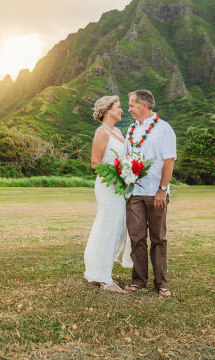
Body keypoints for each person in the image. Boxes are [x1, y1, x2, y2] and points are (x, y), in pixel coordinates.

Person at [124, 90, 176, 297]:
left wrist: (162, 190)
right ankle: (138, 280)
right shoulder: (130, 129)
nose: (128, 109)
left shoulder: (164, 129)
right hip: (134, 192)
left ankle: (161, 282)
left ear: (144, 106)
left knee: (158, 238)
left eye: (131, 105)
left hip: (156, 192)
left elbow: (169, 160)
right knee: (136, 237)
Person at [83, 95, 130, 293]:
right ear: (108, 110)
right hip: (108, 185)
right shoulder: (101, 132)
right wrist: (117, 172)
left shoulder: (118, 131)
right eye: (118, 107)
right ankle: (104, 279)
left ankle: (99, 270)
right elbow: (95, 163)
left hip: (120, 186)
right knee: (109, 226)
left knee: (116, 226)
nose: (121, 110)